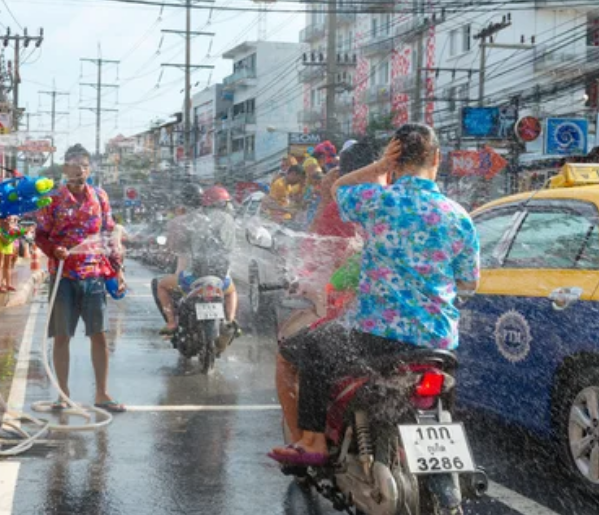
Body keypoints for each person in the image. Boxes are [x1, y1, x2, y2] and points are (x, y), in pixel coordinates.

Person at [270, 123, 480, 466]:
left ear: (393, 159)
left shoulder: (376, 201)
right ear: (437, 158)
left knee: (307, 351)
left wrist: (379, 167)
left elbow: (337, 188)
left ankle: (313, 441)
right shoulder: (459, 216)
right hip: (438, 341)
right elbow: (469, 283)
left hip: (375, 338)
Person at [272, 138, 379, 447]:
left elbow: (317, 256)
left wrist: (325, 200)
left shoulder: (344, 207)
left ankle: (305, 441)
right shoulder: (422, 209)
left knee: (289, 357)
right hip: (429, 334)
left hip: (354, 316)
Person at [35, 144, 126, 413]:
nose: (80, 171)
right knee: (62, 336)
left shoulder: (100, 196)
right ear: (65, 168)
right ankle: (63, 394)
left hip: (94, 275)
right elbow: (40, 235)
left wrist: (118, 269)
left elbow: (109, 234)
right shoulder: (52, 198)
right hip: (63, 276)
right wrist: (54, 250)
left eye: (85, 166)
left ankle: (102, 393)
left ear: (90, 168)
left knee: (99, 335)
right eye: (75, 166)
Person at [177, 186, 240, 335]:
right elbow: (229, 247)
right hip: (220, 276)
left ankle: (173, 323)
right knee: (232, 291)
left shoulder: (195, 219)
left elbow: (183, 245)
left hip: (194, 275)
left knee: (169, 288)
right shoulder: (228, 220)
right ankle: (230, 321)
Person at [154, 183, 203, 334]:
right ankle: (229, 320)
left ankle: (171, 323)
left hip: (188, 275)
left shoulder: (178, 222)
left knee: (161, 286)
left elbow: (172, 246)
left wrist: (166, 253)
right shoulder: (208, 219)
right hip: (214, 274)